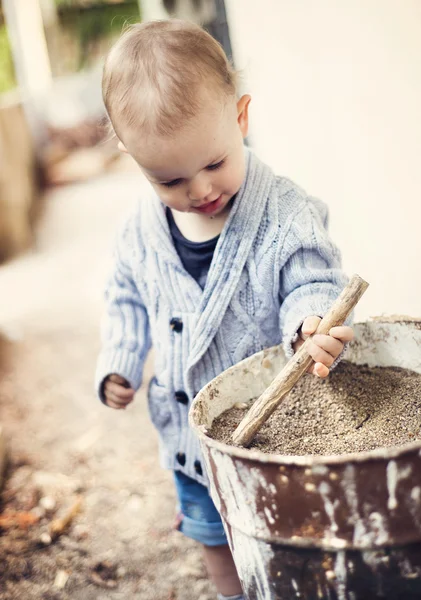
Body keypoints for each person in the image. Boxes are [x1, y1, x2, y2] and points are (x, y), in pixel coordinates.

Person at [95, 19, 354, 600]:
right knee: (216, 541)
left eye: (214, 163)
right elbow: (125, 296)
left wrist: (311, 322)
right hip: (193, 445)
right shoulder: (139, 231)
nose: (200, 190)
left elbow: (312, 276)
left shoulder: (282, 211)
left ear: (240, 118)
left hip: (273, 435)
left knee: (287, 534)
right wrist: (121, 359)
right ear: (131, 156)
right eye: (170, 178)